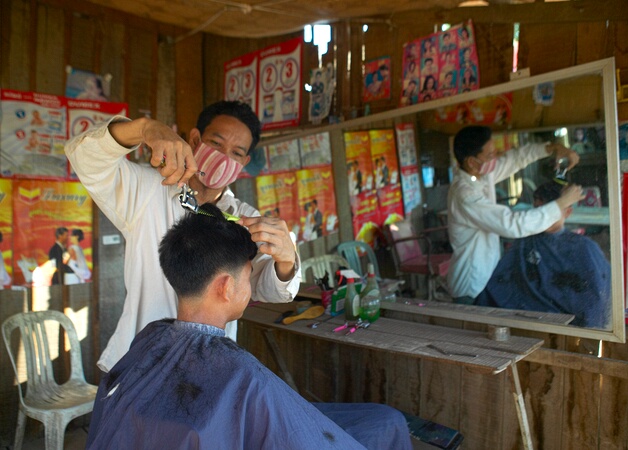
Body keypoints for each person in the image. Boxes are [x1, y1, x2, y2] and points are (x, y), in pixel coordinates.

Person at [87, 204, 413, 450]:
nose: (250, 284)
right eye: (248, 274)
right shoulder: (243, 376)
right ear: (227, 287)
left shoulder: (150, 337)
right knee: (388, 421)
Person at [65, 100, 301, 373]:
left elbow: (267, 287)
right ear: (194, 139)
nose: (225, 156)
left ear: (244, 162)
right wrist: (144, 129)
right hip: (140, 366)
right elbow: (83, 155)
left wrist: (285, 259)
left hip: (206, 367)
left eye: (236, 153)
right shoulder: (147, 191)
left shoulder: (245, 217)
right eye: (216, 143)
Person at [447, 126, 585, 303]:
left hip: (487, 278)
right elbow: (511, 224)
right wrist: (560, 204)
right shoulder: (465, 194)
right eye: (490, 155)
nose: (495, 158)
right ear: (472, 162)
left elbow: (515, 158)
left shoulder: (481, 175)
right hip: (471, 286)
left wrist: (552, 148)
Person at [476, 182, 611, 328]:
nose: (543, 216)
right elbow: (498, 286)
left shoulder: (584, 248)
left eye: (550, 210)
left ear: (567, 212)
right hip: (524, 321)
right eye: (538, 210)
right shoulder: (525, 242)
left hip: (565, 327)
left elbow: (595, 303)